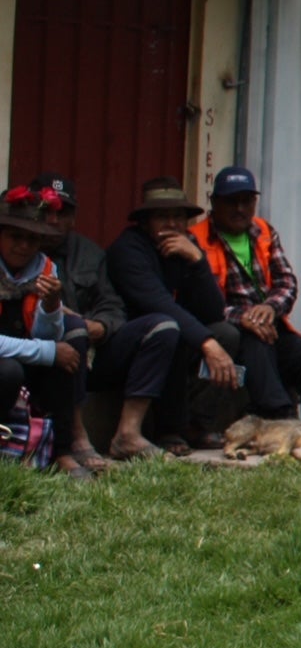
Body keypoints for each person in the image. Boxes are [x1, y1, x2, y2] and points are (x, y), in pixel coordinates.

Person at [30, 172, 182, 464]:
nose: (53, 220)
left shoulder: (89, 253)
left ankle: (128, 434)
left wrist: (101, 325)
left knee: (163, 326)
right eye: (46, 211)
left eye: (63, 213)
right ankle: (76, 436)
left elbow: (112, 305)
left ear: (74, 217)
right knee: (73, 330)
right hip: (49, 357)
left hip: (96, 351)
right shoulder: (21, 249)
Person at [189, 166, 301, 430]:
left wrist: (270, 307)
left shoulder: (263, 231)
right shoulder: (197, 239)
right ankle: (280, 419)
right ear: (214, 203)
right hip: (230, 331)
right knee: (254, 340)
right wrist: (242, 317)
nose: (240, 209)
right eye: (232, 202)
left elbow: (287, 282)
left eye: (247, 201)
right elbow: (199, 304)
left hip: (270, 327)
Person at [104, 176, 242, 452]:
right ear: (145, 222)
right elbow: (158, 304)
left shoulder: (185, 247)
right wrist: (207, 343)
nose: (172, 225)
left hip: (172, 333)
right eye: (162, 217)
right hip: (130, 345)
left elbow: (212, 310)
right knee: (173, 329)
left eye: (178, 217)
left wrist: (198, 261)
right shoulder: (128, 250)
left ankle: (196, 425)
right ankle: (168, 430)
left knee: (225, 333)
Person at [0, 186, 92, 478]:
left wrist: (51, 306)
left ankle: (61, 450)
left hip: (26, 355)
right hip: (8, 365)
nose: (24, 246)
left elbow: (46, 336)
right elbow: (46, 349)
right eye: (16, 237)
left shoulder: (44, 268)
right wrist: (48, 352)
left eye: (33, 239)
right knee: (10, 371)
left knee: (71, 336)